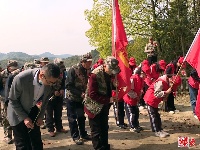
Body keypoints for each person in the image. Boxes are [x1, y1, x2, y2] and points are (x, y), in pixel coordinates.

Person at [7, 63, 60, 150]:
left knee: (36, 142)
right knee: (23, 144)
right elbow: (13, 100)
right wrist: (24, 117)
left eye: (53, 83)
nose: (51, 85)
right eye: (49, 82)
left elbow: (45, 101)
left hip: (33, 111)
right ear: (42, 75)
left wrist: (40, 116)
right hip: (17, 113)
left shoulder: (49, 82)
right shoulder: (21, 79)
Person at [84, 56, 120, 150]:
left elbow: (107, 87)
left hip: (104, 105)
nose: (112, 71)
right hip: (93, 106)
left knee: (104, 127)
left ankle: (105, 146)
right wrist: (109, 100)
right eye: (111, 69)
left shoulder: (109, 74)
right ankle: (98, 147)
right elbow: (92, 94)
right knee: (96, 130)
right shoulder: (95, 75)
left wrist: (113, 85)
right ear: (105, 65)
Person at [66, 53, 92, 145]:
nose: (90, 64)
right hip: (72, 98)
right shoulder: (73, 70)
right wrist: (80, 93)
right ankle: (75, 136)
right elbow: (68, 85)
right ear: (83, 62)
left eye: (91, 62)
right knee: (72, 118)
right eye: (88, 62)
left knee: (81, 117)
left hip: (81, 99)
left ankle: (83, 134)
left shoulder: (88, 70)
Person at [144, 67, 172, 138]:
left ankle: (160, 129)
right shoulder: (161, 82)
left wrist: (164, 97)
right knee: (153, 116)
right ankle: (156, 131)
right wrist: (165, 92)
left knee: (157, 116)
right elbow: (156, 93)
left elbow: (163, 93)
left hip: (155, 101)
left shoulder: (167, 81)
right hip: (150, 99)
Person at [46, 61, 68, 137]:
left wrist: (62, 89)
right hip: (50, 97)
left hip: (59, 96)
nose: (61, 71)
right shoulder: (49, 73)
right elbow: (46, 85)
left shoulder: (62, 73)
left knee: (58, 113)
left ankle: (59, 127)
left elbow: (64, 82)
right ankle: (51, 129)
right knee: (49, 113)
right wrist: (53, 92)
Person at [3, 60, 20, 144]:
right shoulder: (2, 75)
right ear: (9, 68)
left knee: (16, 116)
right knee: (6, 117)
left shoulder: (17, 73)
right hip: (4, 99)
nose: (15, 70)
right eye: (13, 69)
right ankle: (8, 136)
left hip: (15, 98)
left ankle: (17, 135)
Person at [123, 67, 146, 133]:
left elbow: (140, 88)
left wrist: (140, 94)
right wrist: (136, 96)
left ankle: (136, 125)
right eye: (144, 74)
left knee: (136, 113)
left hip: (135, 99)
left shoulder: (141, 79)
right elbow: (129, 90)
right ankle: (132, 126)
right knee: (132, 113)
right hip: (129, 99)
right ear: (141, 73)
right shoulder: (133, 78)